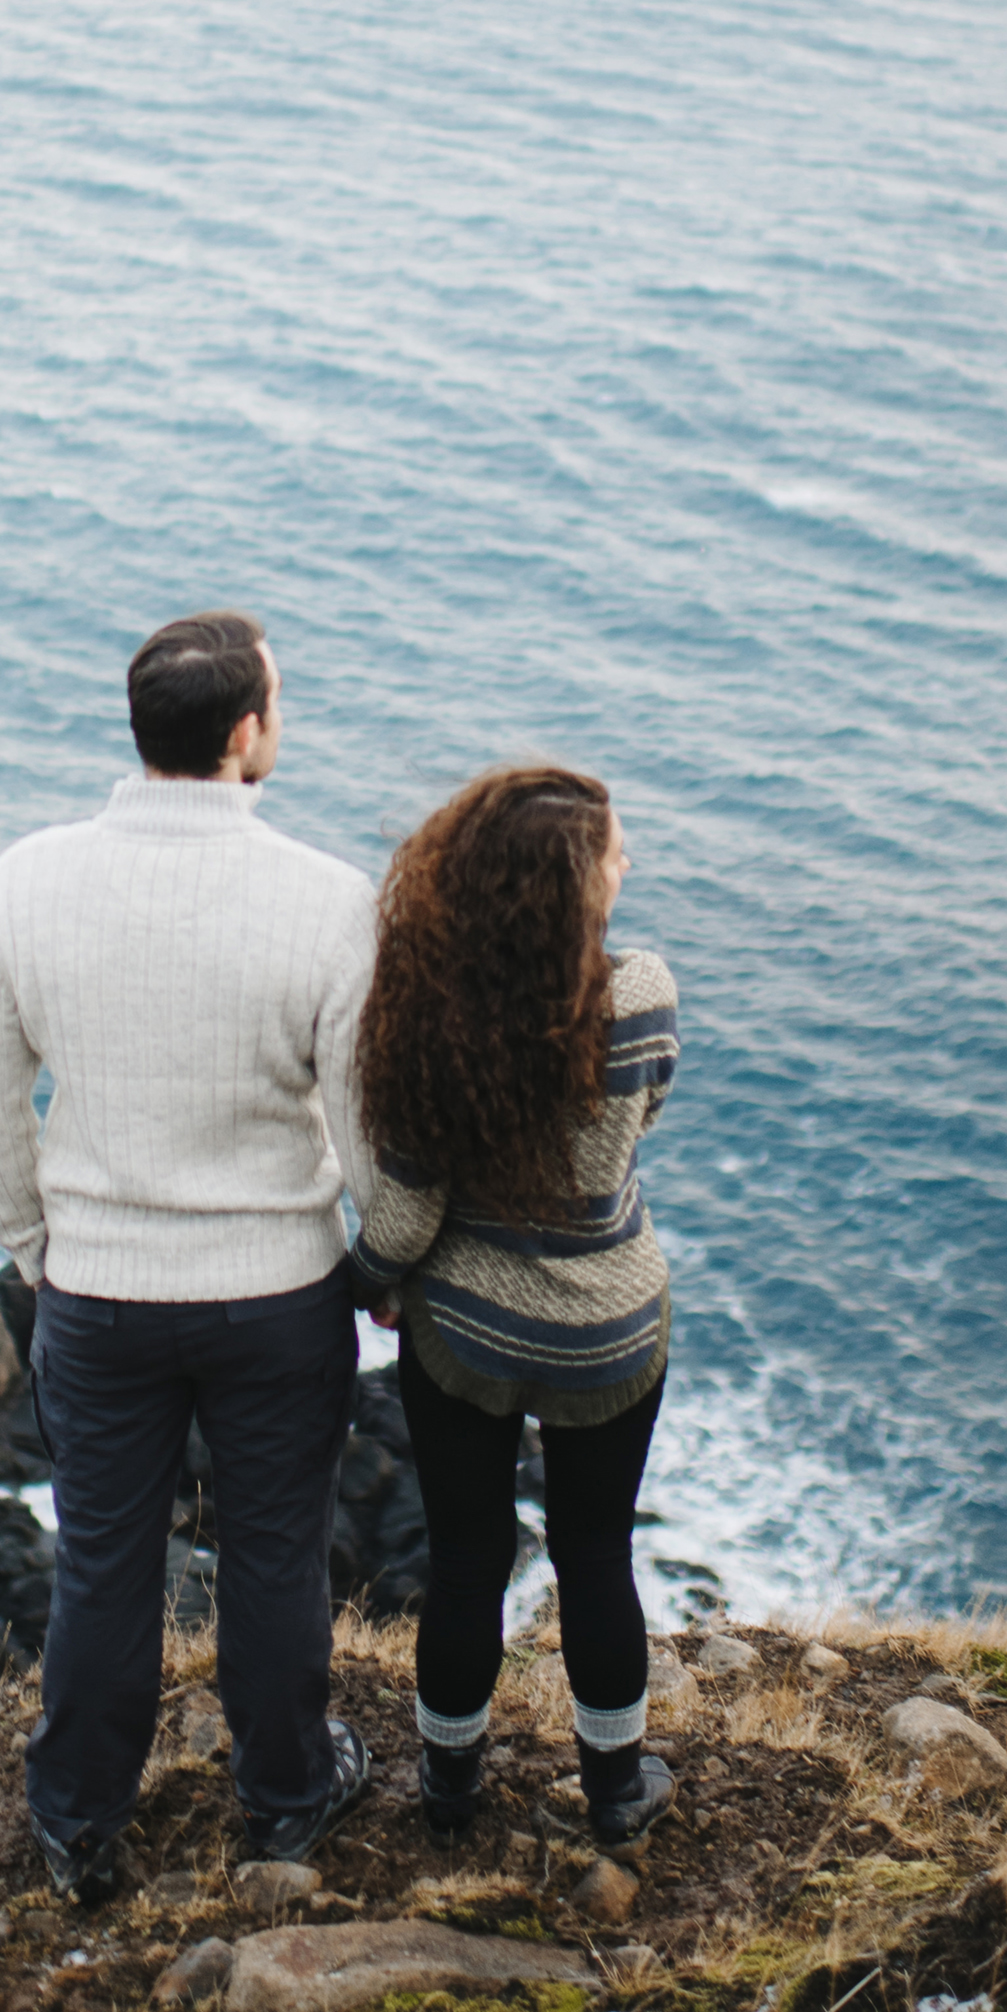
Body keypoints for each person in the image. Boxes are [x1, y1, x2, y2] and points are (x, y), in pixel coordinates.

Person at [0, 610, 377, 1906]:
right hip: (278, 1293)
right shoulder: (325, 897)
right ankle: (289, 1797)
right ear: (246, 733)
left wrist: (33, 1243)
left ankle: (79, 1821)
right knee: (273, 1558)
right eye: (279, 704)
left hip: (99, 1292)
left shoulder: (27, 878)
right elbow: (365, 1127)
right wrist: (383, 1260)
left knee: (104, 1562)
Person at [349, 765, 679, 1845]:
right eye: (613, 853)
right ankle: (616, 1791)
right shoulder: (643, 994)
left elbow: (405, 1210)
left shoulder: (436, 1017)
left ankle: (450, 1790)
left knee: (465, 1557)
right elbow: (640, 1122)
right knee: (596, 1553)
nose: (626, 864)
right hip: (610, 1329)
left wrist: (371, 1282)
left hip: (469, 1332)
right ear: (570, 889)